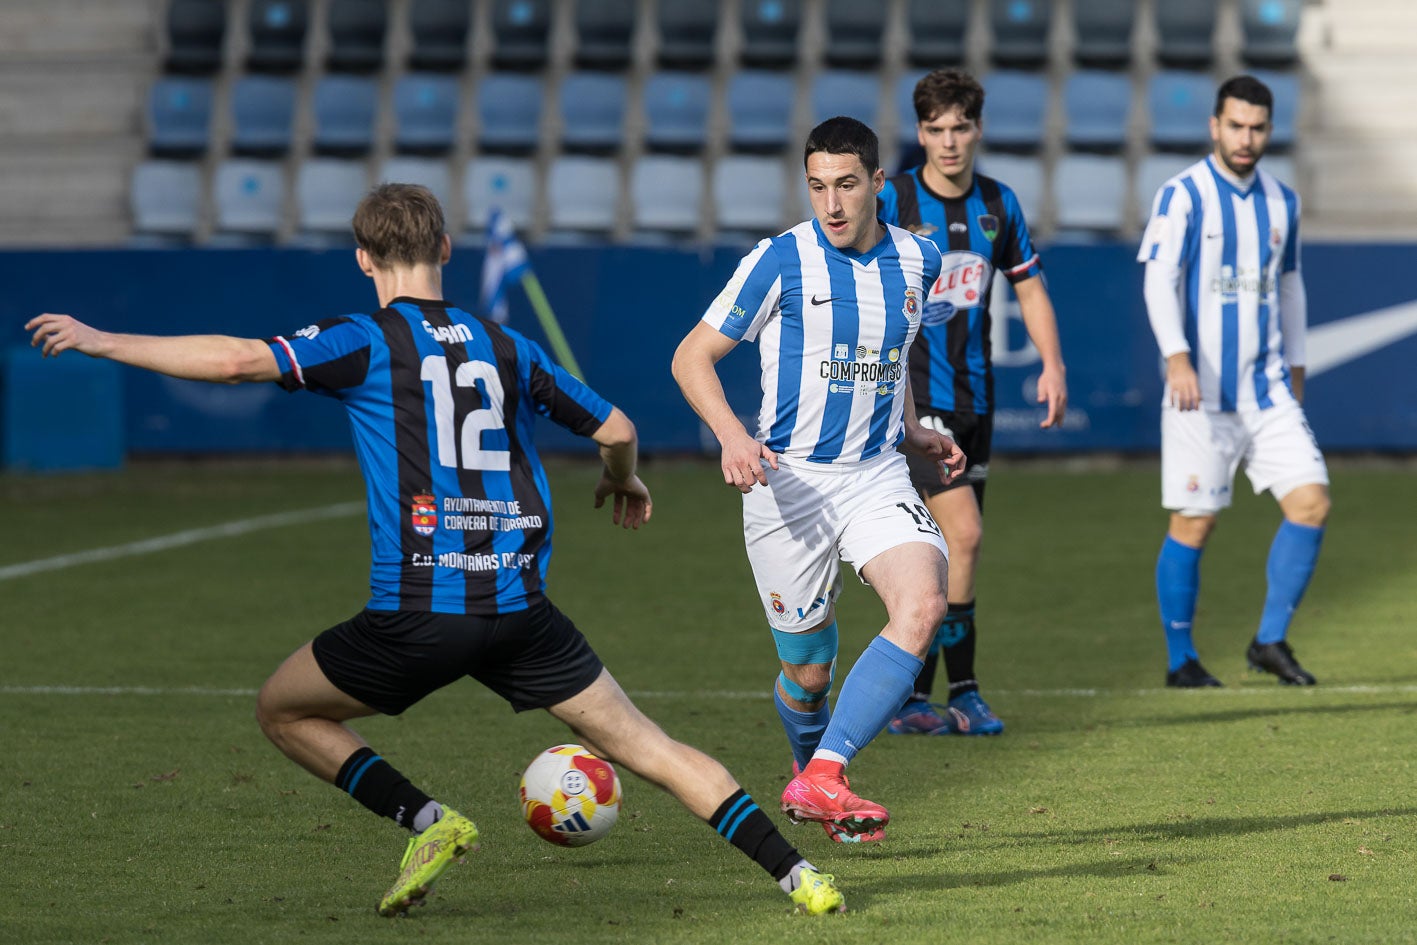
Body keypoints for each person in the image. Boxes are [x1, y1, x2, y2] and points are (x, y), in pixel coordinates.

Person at [25, 183, 845, 917]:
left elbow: (240, 360)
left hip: (418, 609)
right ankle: (799, 875)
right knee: (651, 748)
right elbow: (619, 428)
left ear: (363, 258)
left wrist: (101, 339)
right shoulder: (508, 345)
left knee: (282, 707)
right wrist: (621, 480)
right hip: (521, 610)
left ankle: (428, 819)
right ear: (447, 249)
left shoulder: (364, 339)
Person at [672, 117, 966, 845]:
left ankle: (826, 771)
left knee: (926, 601)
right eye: (816, 187)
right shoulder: (780, 260)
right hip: (787, 484)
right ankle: (812, 774)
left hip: (874, 475)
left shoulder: (919, 259)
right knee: (806, 673)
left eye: (844, 185)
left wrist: (911, 428)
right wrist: (733, 435)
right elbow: (689, 358)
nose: (830, 204)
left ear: (875, 184)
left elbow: (889, 353)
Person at [876, 69, 1068, 736]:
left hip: (975, 400)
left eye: (960, 127)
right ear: (920, 132)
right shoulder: (893, 199)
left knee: (950, 551)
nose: (948, 141)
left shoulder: (998, 203)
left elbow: (1030, 289)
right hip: (916, 399)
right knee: (963, 535)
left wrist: (1051, 362)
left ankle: (914, 698)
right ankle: (959, 691)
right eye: (935, 129)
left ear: (977, 129)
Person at [1138, 75, 1330, 687]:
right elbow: (1158, 279)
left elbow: (1292, 284)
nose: (1246, 138)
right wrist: (1177, 357)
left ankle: (1269, 641)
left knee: (1312, 502)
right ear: (1214, 126)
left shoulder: (1283, 203)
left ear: (1269, 131)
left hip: (1266, 388)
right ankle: (1180, 661)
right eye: (1236, 125)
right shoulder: (1184, 195)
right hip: (1200, 393)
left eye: (1257, 127)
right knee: (1195, 522)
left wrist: (1297, 365)